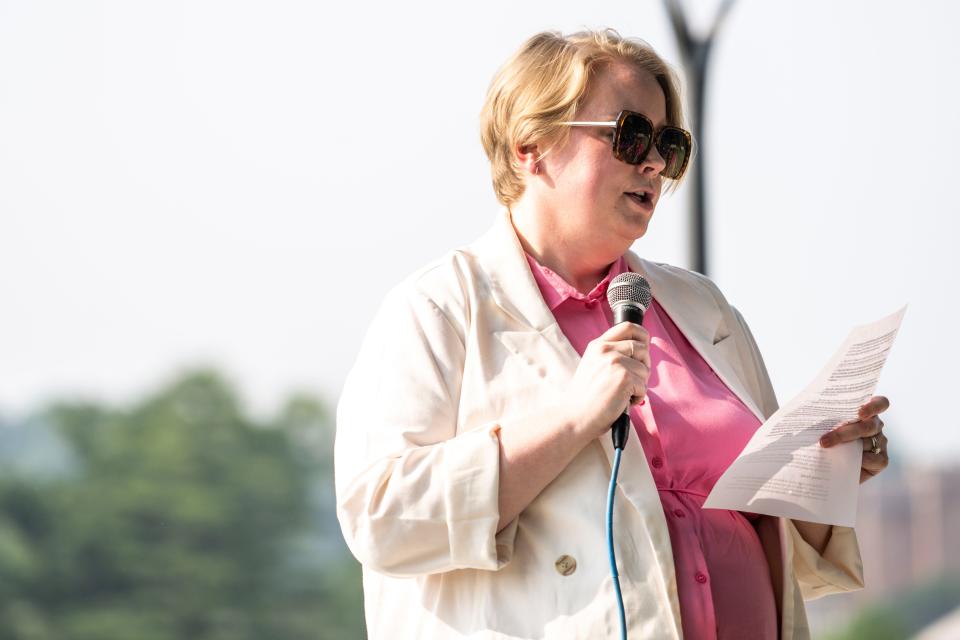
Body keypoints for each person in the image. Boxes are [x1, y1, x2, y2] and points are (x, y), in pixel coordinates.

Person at [335, 28, 891, 639]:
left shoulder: (703, 309)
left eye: (668, 144)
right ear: (531, 145)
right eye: (629, 136)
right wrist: (573, 418)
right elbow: (379, 517)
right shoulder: (438, 308)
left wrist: (821, 471)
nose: (653, 162)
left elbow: (779, 553)